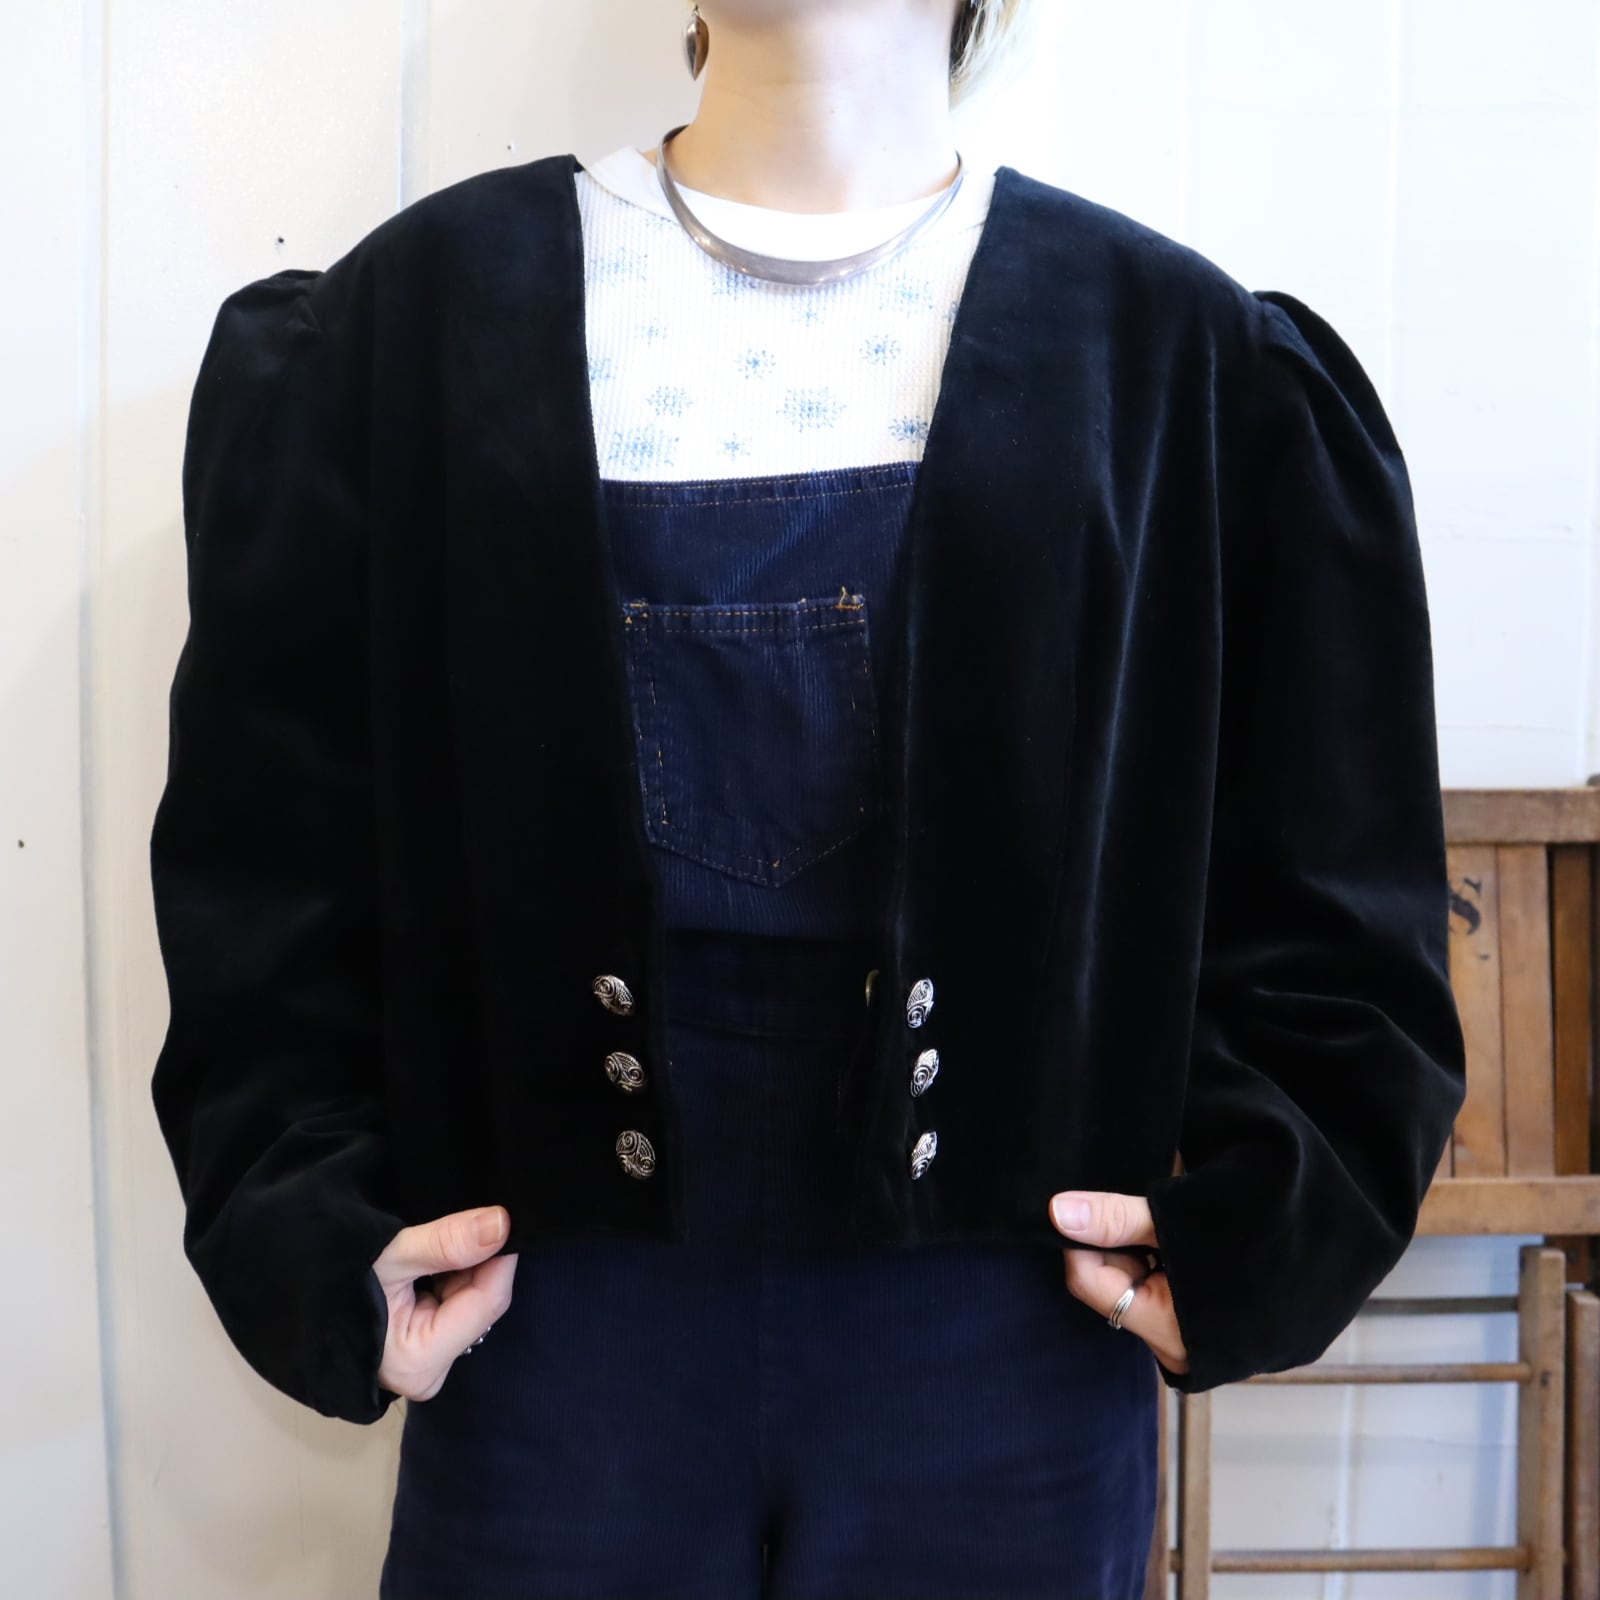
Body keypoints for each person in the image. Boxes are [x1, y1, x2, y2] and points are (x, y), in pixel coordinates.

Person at [148, 1, 1467, 1595]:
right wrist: (311, 1226)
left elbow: (1335, 892)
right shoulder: (410, 332)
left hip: (1013, 1339)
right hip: (545, 1330)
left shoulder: (1183, 366)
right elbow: (266, 861)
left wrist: (1261, 1232)